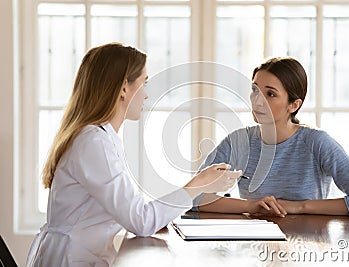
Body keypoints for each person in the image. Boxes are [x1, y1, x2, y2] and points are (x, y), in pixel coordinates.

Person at [26, 43, 241, 267]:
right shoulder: (93, 142)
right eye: (144, 83)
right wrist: (198, 184)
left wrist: (168, 208)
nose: (146, 95)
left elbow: (133, 211)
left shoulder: (101, 137)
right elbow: (140, 221)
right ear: (123, 88)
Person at [194, 57, 349, 217]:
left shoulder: (317, 143)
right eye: (255, 90)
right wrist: (252, 206)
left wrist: (298, 207)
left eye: (271, 94)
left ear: (293, 105)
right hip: (254, 244)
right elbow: (192, 197)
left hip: (308, 244)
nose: (258, 101)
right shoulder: (237, 142)